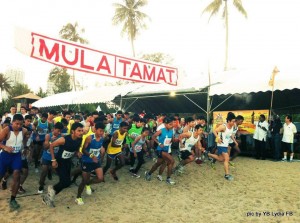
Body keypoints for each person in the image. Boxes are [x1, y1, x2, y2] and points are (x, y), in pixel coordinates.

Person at [42, 122, 83, 207]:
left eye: (82, 130)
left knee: (66, 182)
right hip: (59, 162)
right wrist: (53, 160)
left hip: (68, 161)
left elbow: (76, 149)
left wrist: (78, 153)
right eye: (79, 130)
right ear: (72, 131)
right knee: (66, 182)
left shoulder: (80, 139)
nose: (81, 132)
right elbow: (51, 146)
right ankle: (51, 191)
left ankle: (49, 195)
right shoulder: (64, 139)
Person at [0, 114, 28, 210]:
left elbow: (25, 139)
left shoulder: (24, 131)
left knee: (17, 174)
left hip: (16, 156)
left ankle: (13, 199)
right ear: (12, 122)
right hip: (5, 156)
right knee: (0, 174)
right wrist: (5, 147)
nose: (19, 126)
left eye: (21, 124)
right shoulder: (6, 130)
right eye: (17, 124)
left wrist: (25, 148)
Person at [76, 122, 105, 205]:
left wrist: (102, 149)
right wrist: (92, 156)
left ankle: (88, 184)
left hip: (96, 160)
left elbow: (99, 147)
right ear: (95, 130)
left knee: (100, 178)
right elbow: (83, 150)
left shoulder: (102, 138)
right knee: (84, 180)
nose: (102, 133)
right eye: (100, 131)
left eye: (103, 131)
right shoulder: (89, 138)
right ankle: (78, 197)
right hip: (87, 161)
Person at [145, 117, 175, 185]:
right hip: (160, 150)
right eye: (170, 124)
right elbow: (153, 137)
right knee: (171, 161)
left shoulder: (171, 131)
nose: (172, 125)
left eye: (172, 124)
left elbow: (171, 139)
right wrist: (159, 143)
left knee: (159, 163)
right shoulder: (161, 130)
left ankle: (148, 173)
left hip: (166, 149)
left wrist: (174, 140)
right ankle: (168, 179)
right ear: (165, 124)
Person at [206, 112, 236, 181]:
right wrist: (218, 138)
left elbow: (231, 134)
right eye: (233, 121)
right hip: (221, 145)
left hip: (225, 145)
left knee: (221, 159)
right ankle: (227, 175)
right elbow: (214, 131)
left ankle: (208, 154)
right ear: (228, 121)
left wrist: (235, 141)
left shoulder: (232, 126)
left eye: (234, 121)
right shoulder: (223, 126)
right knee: (226, 158)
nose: (234, 123)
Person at [38, 122, 64, 194]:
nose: (59, 132)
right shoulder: (48, 136)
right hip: (47, 156)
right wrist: (51, 142)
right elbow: (45, 148)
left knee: (58, 171)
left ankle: (62, 184)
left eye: (60, 131)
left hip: (55, 157)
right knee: (44, 171)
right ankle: (41, 185)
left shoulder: (61, 136)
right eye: (58, 130)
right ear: (54, 129)